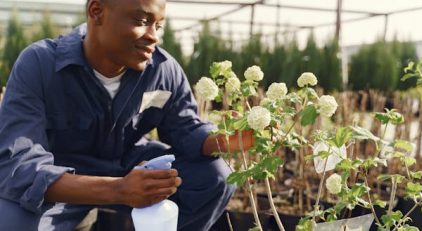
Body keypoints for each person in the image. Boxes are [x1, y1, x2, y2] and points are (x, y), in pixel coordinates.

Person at [0, 0, 255, 230]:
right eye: (141, 21)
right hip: (63, 179)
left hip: (130, 165)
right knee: (10, 222)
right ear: (97, 12)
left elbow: (186, 128)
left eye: (159, 25)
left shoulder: (163, 70)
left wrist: (225, 139)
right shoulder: (40, 64)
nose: (153, 37)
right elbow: (20, 165)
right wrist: (118, 189)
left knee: (214, 176)